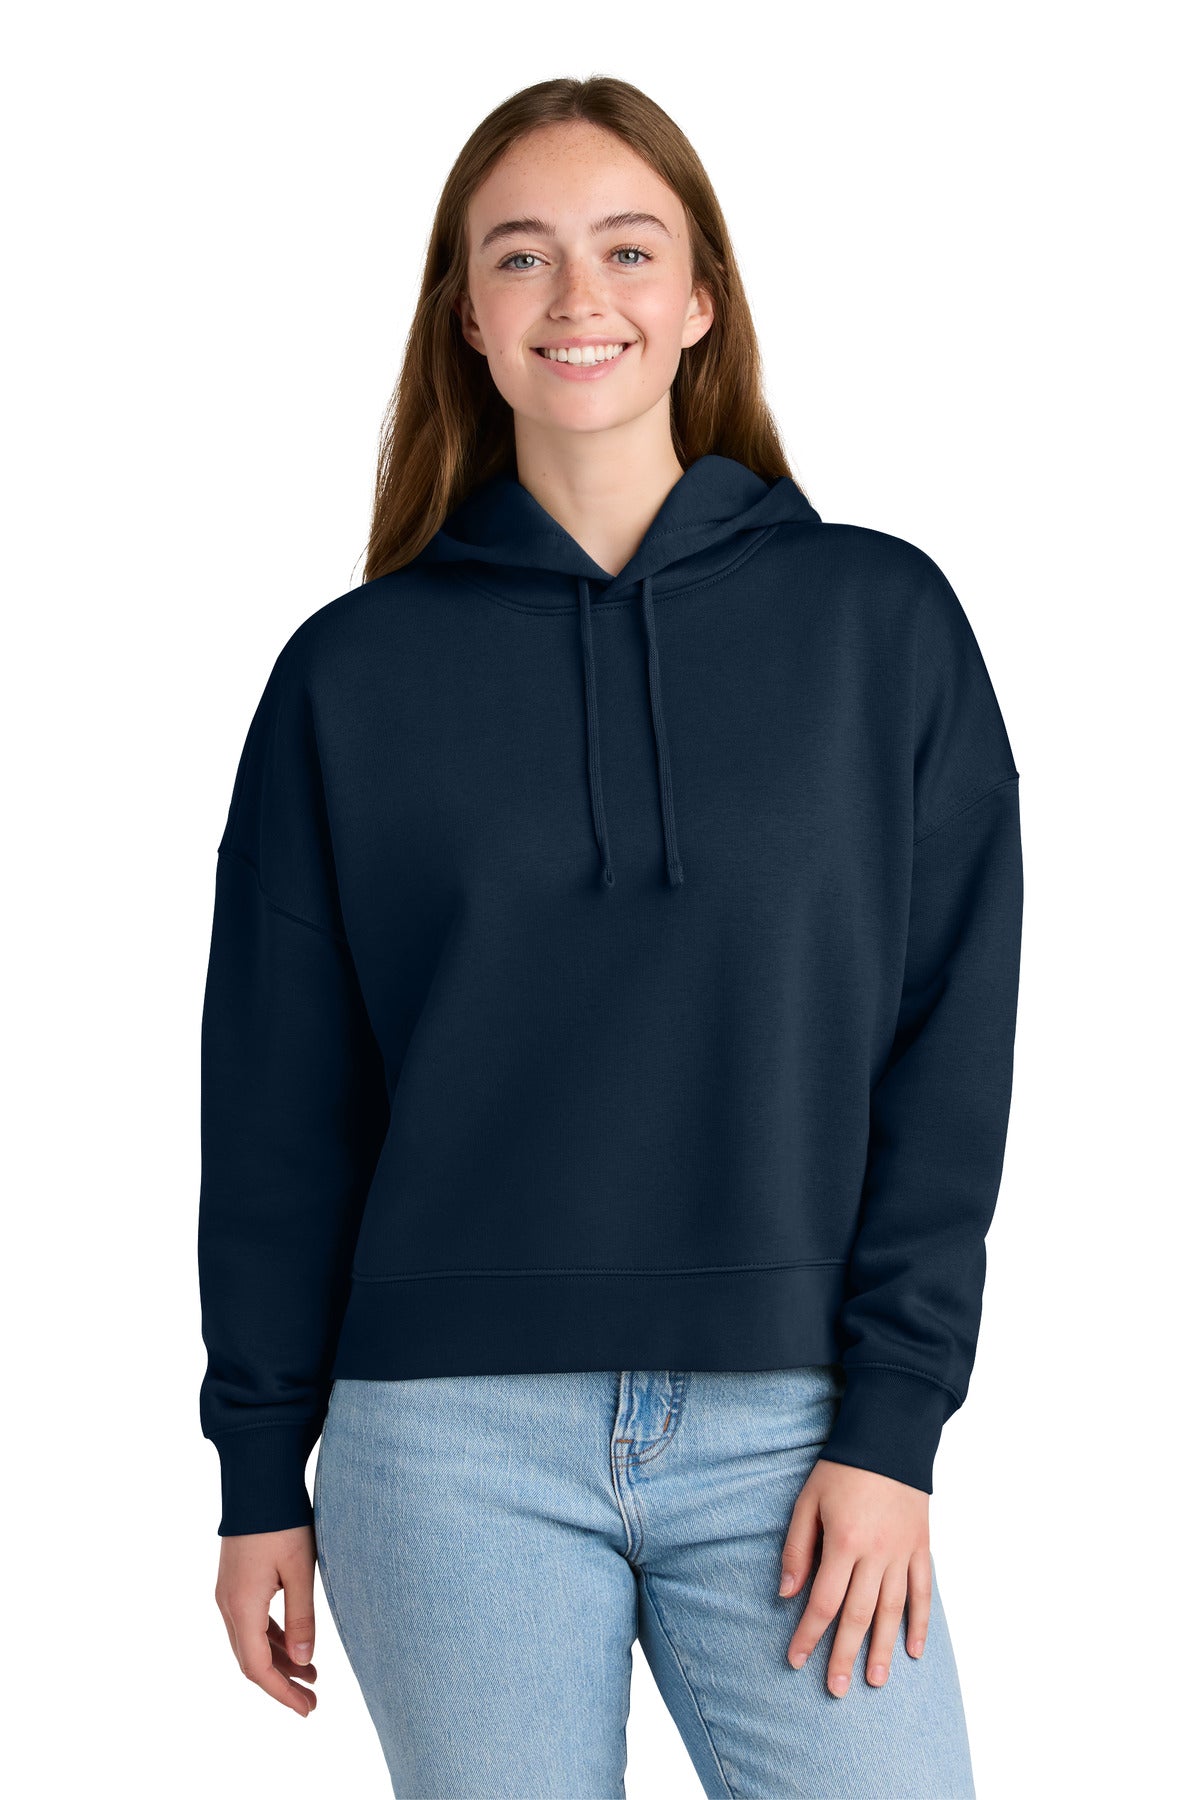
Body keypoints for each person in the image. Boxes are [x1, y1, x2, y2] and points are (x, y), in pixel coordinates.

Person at [198, 75, 1023, 1800]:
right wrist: (259, 1465)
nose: (579, 295)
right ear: (467, 318)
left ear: (701, 296)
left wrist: (893, 1427)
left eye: (628, 249)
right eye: (522, 255)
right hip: (448, 1444)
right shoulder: (348, 677)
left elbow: (947, 1051)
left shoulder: (880, 626)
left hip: (795, 1427)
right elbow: (278, 1106)